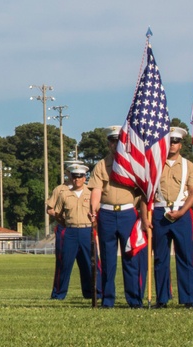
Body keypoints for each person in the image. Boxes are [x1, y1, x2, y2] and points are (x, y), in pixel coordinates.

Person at [88, 125, 147, 308]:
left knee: (131, 257)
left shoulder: (132, 164)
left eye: (119, 140)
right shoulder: (101, 165)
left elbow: (143, 189)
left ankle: (134, 299)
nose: (116, 144)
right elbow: (96, 190)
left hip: (128, 213)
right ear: (109, 144)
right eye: (112, 141)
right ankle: (108, 299)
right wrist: (93, 211)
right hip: (106, 213)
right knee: (108, 260)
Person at [151, 128, 193, 308]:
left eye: (176, 142)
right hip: (160, 212)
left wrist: (183, 211)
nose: (172, 145)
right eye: (170, 141)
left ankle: (188, 299)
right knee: (160, 258)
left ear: (181, 144)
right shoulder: (155, 164)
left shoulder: (188, 165)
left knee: (185, 257)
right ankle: (162, 299)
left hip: (182, 213)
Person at [47, 162, 95, 301]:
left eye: (80, 177)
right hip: (70, 231)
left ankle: (91, 293)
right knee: (64, 264)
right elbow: (57, 213)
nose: (77, 180)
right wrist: (65, 223)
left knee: (89, 264)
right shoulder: (64, 194)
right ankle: (58, 294)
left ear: (85, 177)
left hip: (87, 230)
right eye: (74, 177)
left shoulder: (91, 193)